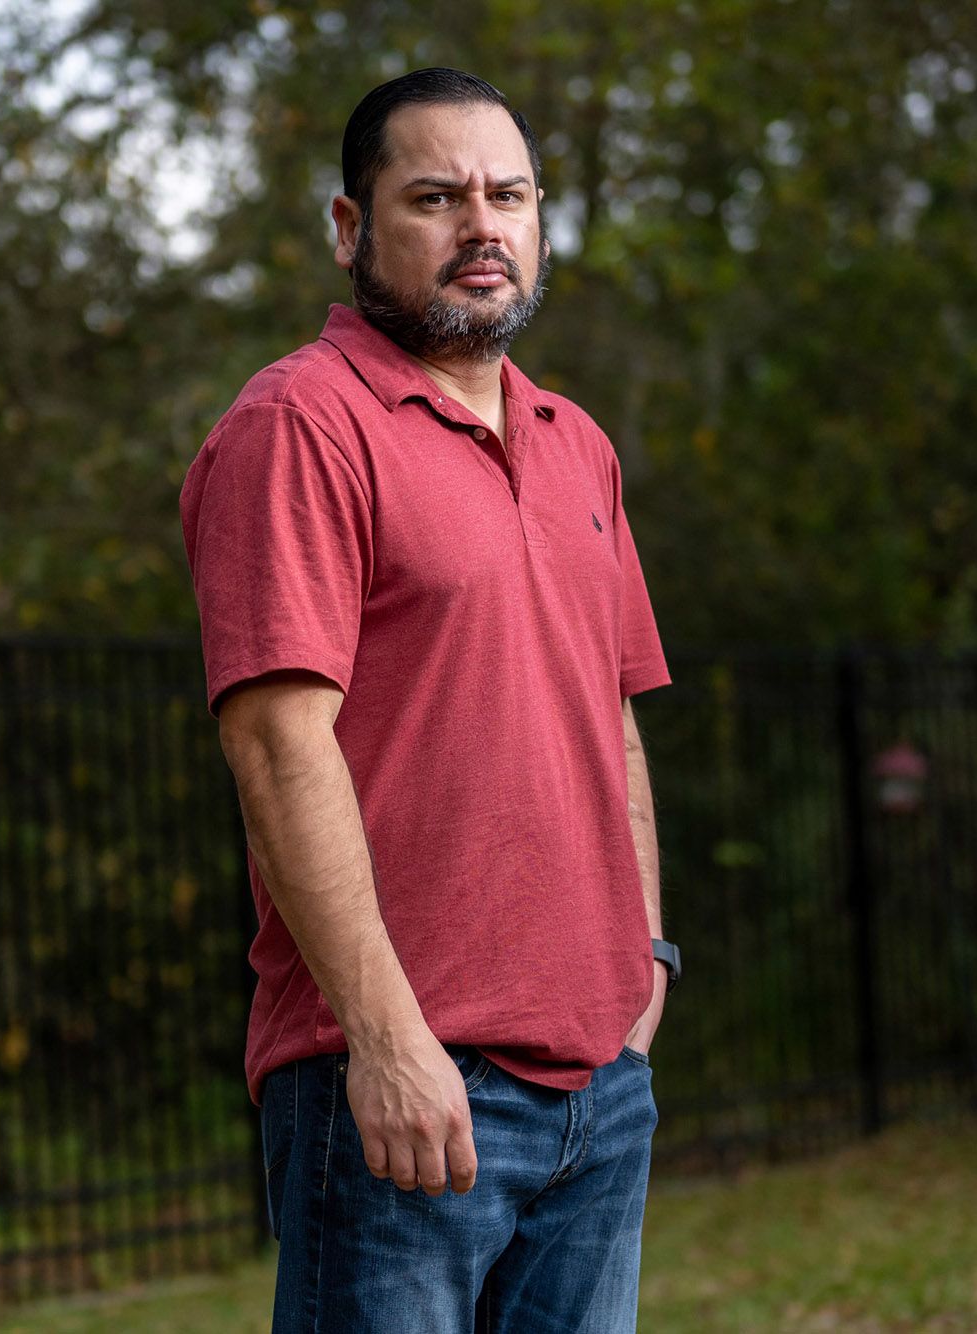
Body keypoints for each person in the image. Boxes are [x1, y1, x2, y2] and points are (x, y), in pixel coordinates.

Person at [179, 66, 679, 1333]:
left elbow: (610, 717)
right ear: (350, 230)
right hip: (401, 1089)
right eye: (436, 196)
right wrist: (388, 1043)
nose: (481, 226)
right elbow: (276, 742)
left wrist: (645, 965)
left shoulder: (576, 441)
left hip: (597, 1091)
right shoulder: (298, 426)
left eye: (507, 196)